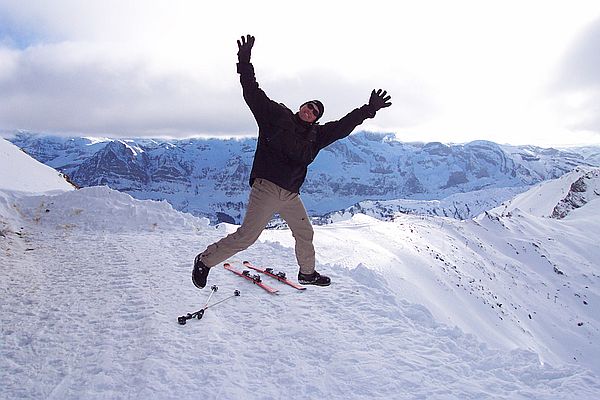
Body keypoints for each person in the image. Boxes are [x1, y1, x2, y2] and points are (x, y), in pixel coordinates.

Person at [192, 34, 391, 288]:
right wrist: (244, 61)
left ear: (316, 119)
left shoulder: (317, 136)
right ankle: (205, 260)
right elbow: (252, 91)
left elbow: (343, 126)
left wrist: (368, 109)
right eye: (308, 106)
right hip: (266, 188)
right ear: (301, 106)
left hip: (290, 195)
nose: (309, 111)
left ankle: (307, 273)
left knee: (305, 232)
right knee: (246, 238)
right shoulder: (276, 116)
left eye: (314, 112)